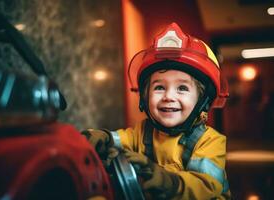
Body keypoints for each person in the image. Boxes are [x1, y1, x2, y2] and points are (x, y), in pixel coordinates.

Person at [82, 22, 231, 199]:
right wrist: (102, 137)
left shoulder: (210, 142)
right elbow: (118, 139)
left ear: (203, 101)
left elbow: (205, 186)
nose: (168, 96)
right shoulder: (142, 132)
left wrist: (169, 182)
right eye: (159, 87)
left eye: (182, 88)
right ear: (145, 97)